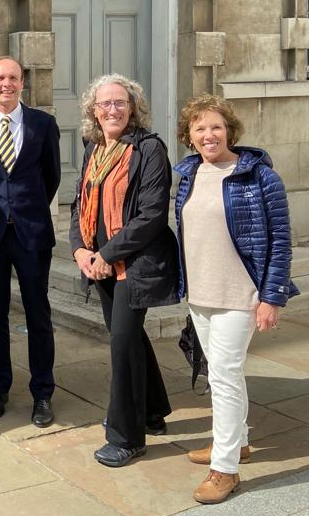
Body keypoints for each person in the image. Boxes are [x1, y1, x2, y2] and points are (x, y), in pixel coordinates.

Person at [174, 94, 298, 503]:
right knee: (219, 373)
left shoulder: (260, 176)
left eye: (215, 127)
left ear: (229, 130)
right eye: (199, 128)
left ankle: (225, 469)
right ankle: (237, 440)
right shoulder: (189, 174)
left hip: (240, 294)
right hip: (201, 292)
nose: (208, 135)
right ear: (189, 136)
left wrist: (272, 295)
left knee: (225, 376)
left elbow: (280, 239)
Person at [68, 73, 179, 467]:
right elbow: (78, 202)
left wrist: (106, 253)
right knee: (126, 337)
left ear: (133, 107)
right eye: (104, 104)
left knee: (121, 344)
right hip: (100, 264)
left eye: (119, 103)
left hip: (135, 263)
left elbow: (151, 216)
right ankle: (152, 410)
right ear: (93, 112)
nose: (111, 110)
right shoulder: (93, 148)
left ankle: (126, 435)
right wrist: (80, 249)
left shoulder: (148, 149)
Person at [0, 56, 61, 427]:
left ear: (23, 83)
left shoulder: (43, 124)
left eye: (13, 78)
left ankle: (43, 393)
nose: (7, 84)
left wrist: (24, 209)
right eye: (0, 78)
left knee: (38, 314)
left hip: (31, 234)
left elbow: (50, 177)